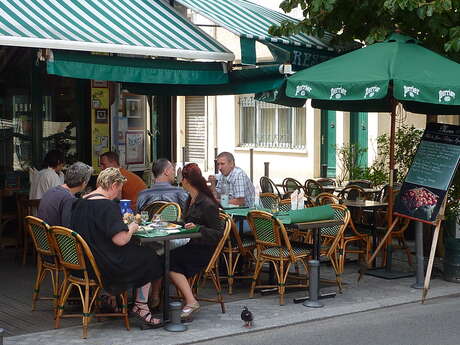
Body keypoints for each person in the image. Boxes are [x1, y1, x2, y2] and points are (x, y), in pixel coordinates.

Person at [70, 167, 163, 326]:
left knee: (139, 254)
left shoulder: (79, 202)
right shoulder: (107, 206)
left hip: (82, 262)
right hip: (103, 264)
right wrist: (133, 227)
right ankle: (141, 306)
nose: (119, 194)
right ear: (113, 185)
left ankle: (110, 295)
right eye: (119, 189)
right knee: (149, 256)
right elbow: (120, 240)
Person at [150, 163, 222, 321]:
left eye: (182, 178)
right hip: (191, 244)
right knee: (159, 256)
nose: (180, 181)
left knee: (170, 262)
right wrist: (170, 224)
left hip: (203, 249)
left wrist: (198, 228)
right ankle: (154, 297)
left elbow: (218, 234)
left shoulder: (207, 204)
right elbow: (188, 223)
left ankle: (191, 301)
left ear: (188, 180)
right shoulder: (191, 199)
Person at [38, 162, 93, 227]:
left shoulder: (51, 190)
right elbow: (67, 227)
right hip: (55, 235)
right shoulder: (69, 199)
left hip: (42, 234)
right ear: (84, 183)